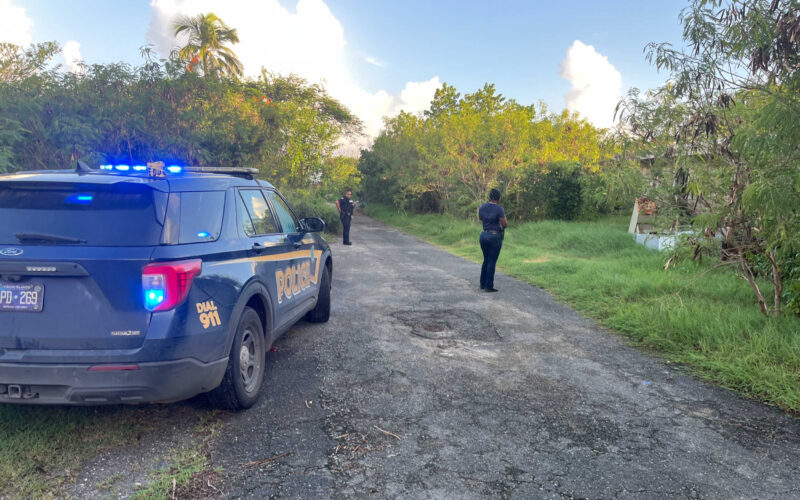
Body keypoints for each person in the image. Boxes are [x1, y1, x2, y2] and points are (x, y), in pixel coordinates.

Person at [478, 188, 507, 292]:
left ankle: (482, 283)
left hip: (483, 235)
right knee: (491, 261)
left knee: (486, 259)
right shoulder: (499, 209)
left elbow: (480, 218)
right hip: (494, 236)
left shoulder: (482, 206)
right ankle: (488, 286)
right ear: (498, 198)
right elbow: (504, 224)